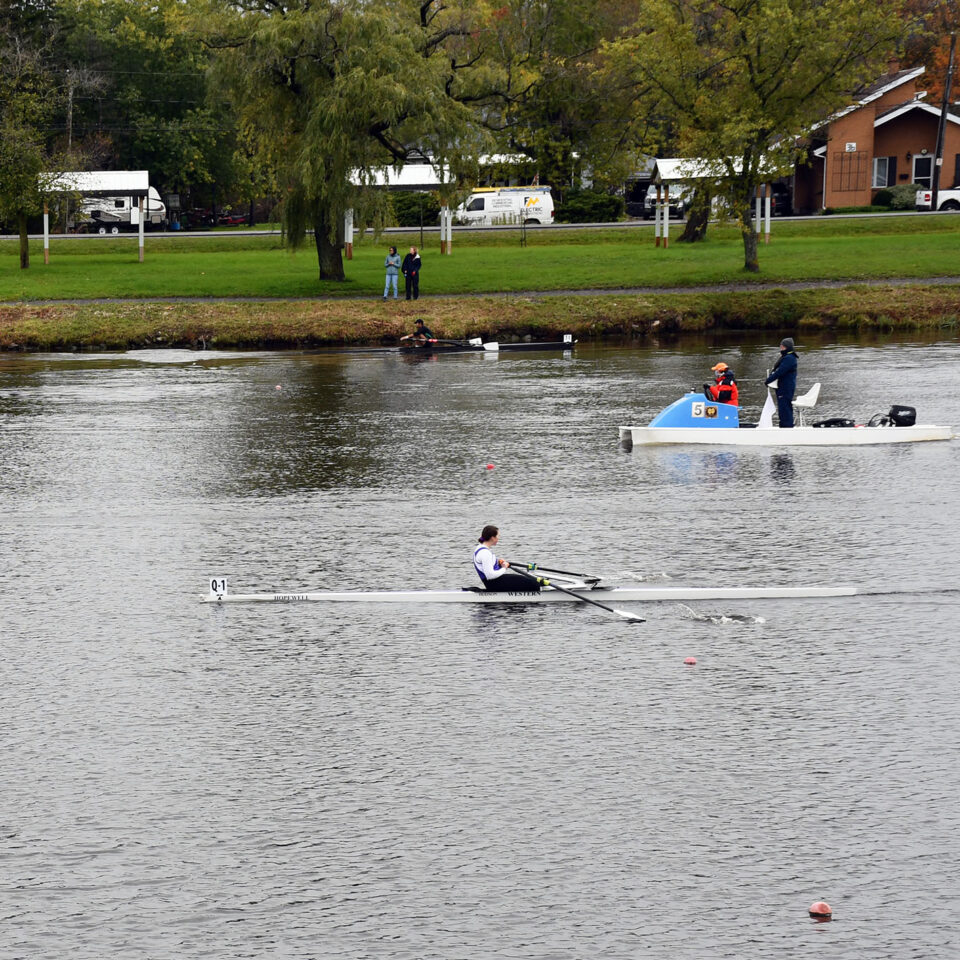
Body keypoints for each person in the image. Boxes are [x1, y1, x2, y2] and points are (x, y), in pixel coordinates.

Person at [473, 525, 539, 592]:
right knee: (534, 584)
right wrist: (504, 568)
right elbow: (490, 575)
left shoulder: (480, 548)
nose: (499, 538)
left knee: (529, 580)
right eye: (498, 536)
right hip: (494, 583)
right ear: (492, 538)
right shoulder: (485, 553)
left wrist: (498, 563)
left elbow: (487, 566)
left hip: (495, 581)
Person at [764, 337, 799, 428]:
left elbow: (780, 371)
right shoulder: (786, 357)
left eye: (782, 346)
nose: (781, 347)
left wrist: (768, 380)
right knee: (783, 407)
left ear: (786, 347)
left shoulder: (789, 358)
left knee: (785, 408)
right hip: (782, 387)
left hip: (786, 387)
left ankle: (787, 427)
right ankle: (784, 426)